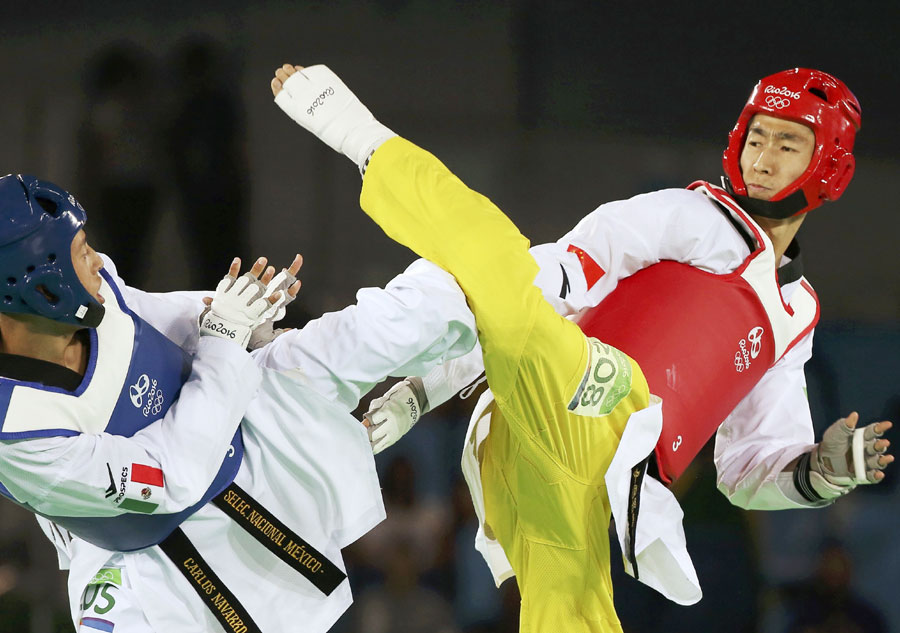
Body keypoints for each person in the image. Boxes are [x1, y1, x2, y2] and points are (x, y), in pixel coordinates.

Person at [271, 64, 894, 633]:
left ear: (829, 166)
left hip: (589, 484)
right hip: (586, 391)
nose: (764, 156)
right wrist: (425, 391)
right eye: (757, 137)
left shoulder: (798, 315)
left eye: (789, 143)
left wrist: (817, 472)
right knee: (501, 264)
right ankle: (367, 142)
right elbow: (543, 284)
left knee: (574, 620)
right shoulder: (691, 215)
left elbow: (745, 469)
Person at [0, 174, 479, 632]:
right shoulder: (16, 434)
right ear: (37, 286)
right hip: (145, 564)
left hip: (234, 419)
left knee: (374, 329)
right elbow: (173, 475)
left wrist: (236, 313)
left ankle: (535, 282)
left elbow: (145, 318)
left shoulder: (87, 289)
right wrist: (225, 338)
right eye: (81, 253)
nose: (99, 262)